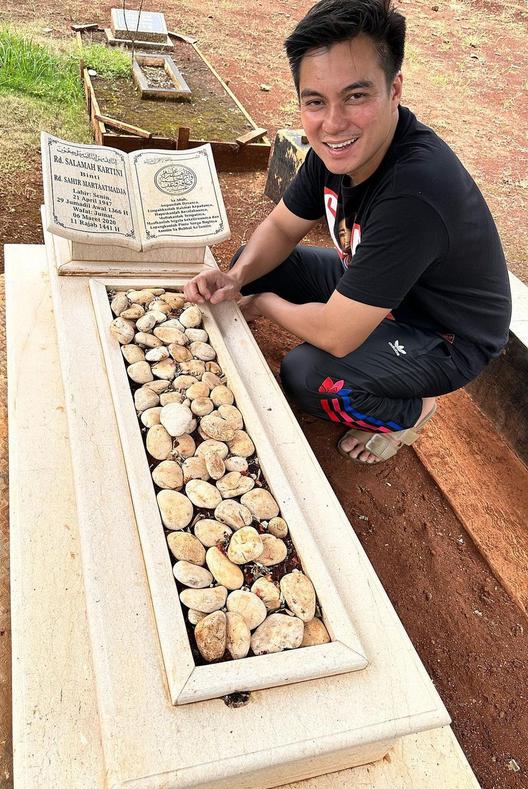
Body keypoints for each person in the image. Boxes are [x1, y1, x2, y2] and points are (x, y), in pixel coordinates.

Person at [183, 0, 511, 464]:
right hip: (385, 291)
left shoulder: (414, 193)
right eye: (315, 101)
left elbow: (337, 336)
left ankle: (412, 410)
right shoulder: (335, 148)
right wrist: (238, 282)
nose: (332, 124)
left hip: (442, 335)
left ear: (394, 88)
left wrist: (264, 304)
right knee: (251, 265)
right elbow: (281, 226)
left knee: (310, 375)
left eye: (356, 96)